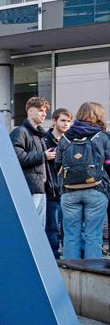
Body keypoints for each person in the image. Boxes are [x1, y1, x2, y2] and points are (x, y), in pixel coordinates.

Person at [56, 102, 110, 260]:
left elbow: (57, 164)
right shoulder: (102, 137)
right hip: (97, 190)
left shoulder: (66, 137)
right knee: (93, 234)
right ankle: (92, 272)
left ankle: (70, 270)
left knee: (71, 235)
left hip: (69, 191)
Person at [9, 97, 53, 227]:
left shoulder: (39, 135)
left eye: (45, 111)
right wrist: (43, 155)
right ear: (30, 111)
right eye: (40, 110)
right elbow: (17, 157)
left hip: (40, 187)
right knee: (30, 226)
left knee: (38, 227)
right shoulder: (20, 132)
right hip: (28, 187)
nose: (44, 114)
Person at [44, 108, 73, 258]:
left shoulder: (70, 141)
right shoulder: (44, 139)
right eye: (63, 120)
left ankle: (69, 258)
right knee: (52, 228)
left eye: (68, 121)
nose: (66, 124)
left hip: (68, 191)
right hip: (51, 191)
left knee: (69, 229)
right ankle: (53, 258)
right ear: (54, 121)